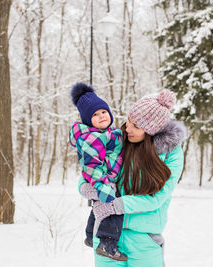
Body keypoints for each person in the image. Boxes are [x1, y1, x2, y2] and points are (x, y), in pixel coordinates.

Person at [78, 89, 186, 266]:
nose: (127, 128)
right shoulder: (116, 140)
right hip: (106, 238)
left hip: (144, 240)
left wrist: (114, 206)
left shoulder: (170, 154)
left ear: (152, 131)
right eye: (128, 121)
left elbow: (156, 198)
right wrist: (88, 188)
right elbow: (89, 170)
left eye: (136, 126)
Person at [69, 82, 128, 261]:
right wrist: (103, 186)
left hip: (108, 176)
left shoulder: (110, 133)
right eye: (95, 115)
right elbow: (93, 166)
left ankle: (89, 235)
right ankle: (107, 243)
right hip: (101, 179)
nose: (101, 116)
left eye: (103, 112)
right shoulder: (91, 138)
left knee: (98, 207)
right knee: (112, 208)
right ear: (88, 120)